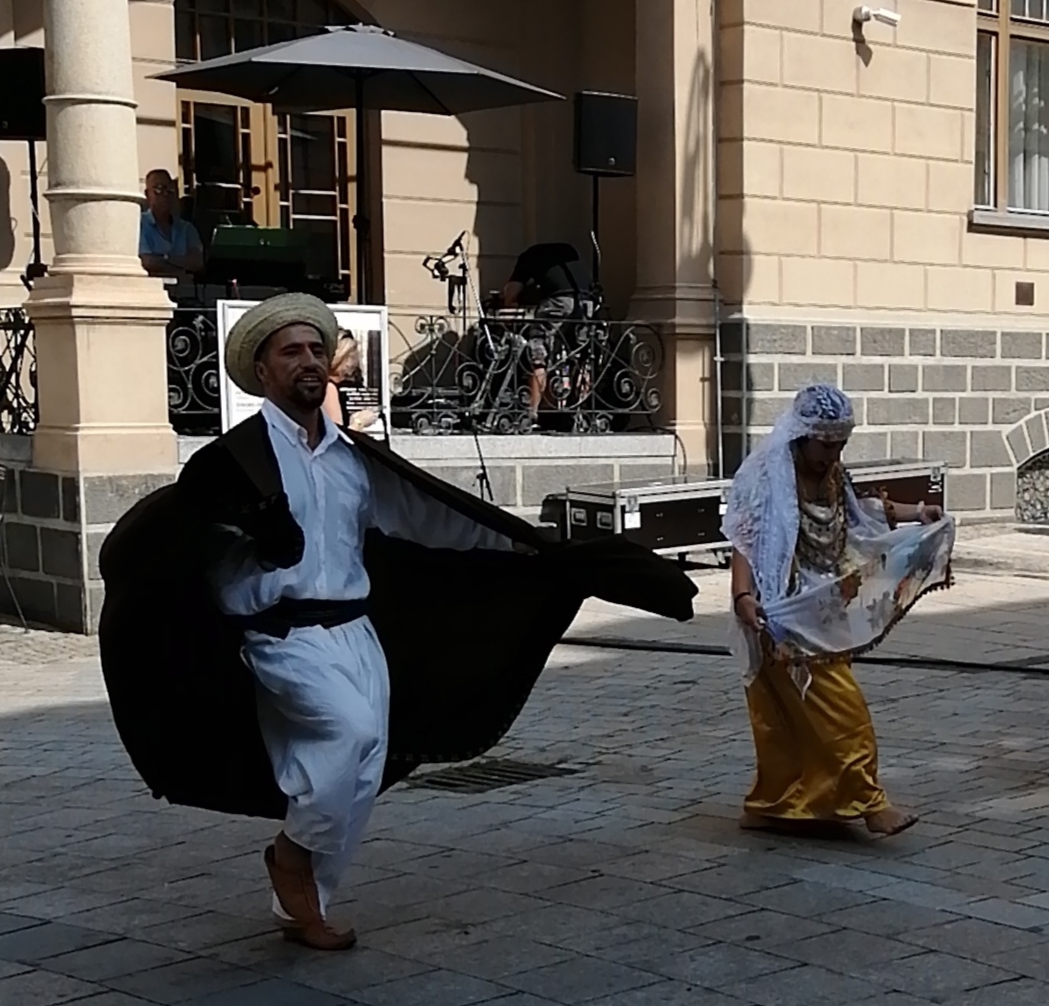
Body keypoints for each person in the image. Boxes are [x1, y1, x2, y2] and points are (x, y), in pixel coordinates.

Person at [96, 294, 694, 951]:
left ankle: (305, 905)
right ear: (262, 370)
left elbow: (430, 519)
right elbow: (183, 556)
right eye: (290, 350)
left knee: (364, 766)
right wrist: (246, 537)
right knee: (344, 735)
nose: (308, 360)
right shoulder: (231, 461)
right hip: (284, 635)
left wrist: (544, 556)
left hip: (358, 633)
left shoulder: (354, 459)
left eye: (317, 349)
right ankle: (292, 856)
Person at [724, 384, 954, 838]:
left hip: (822, 607)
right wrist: (742, 598)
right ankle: (869, 803)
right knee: (841, 711)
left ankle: (773, 804)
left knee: (791, 722)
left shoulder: (830, 474)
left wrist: (917, 512)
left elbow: (859, 509)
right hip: (779, 613)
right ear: (803, 434)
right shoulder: (769, 477)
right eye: (826, 445)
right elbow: (745, 539)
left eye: (840, 445)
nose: (832, 455)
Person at [500, 242, 586, 417]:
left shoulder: (527, 258)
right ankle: (577, 413)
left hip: (558, 301)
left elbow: (511, 293)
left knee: (539, 356)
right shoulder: (570, 253)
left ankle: (532, 414)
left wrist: (509, 303)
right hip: (586, 300)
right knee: (581, 356)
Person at [138, 169, 204, 280]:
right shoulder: (140, 224)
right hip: (151, 288)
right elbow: (146, 261)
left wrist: (164, 259)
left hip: (185, 291)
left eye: (170, 190)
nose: (165, 194)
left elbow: (197, 262)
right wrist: (180, 267)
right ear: (147, 194)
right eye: (159, 189)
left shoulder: (187, 228)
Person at [322, 330, 381, 436]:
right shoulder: (329, 389)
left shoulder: (331, 386)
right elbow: (338, 437)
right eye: (352, 357)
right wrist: (360, 422)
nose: (354, 363)